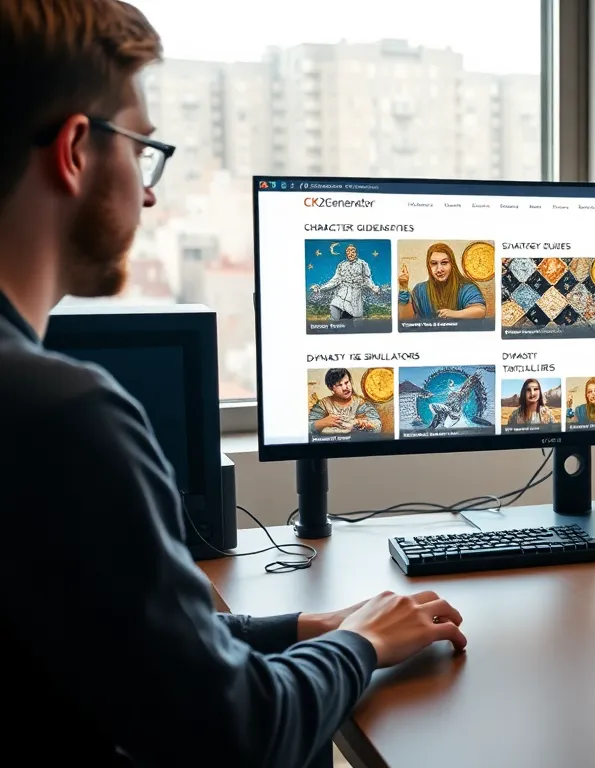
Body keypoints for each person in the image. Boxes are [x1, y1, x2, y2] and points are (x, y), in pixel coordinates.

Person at [0, 2, 466, 765]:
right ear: (77, 149)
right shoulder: (63, 416)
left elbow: (132, 642)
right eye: (144, 148)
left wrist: (304, 629)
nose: (150, 194)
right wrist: (360, 645)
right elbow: (240, 735)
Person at [398, 241, 486, 321]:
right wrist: (403, 287)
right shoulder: (420, 289)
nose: (439, 269)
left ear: (452, 265)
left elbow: (480, 311)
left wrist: (454, 313)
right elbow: (405, 319)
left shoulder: (466, 287)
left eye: (444, 263)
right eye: (434, 263)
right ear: (429, 266)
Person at [312, 242, 380, 321]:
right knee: (334, 308)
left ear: (356, 253)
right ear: (346, 254)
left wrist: (374, 288)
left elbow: (367, 279)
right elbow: (335, 280)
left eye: (353, 251)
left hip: (355, 294)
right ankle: (335, 327)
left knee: (355, 318)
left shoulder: (363, 264)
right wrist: (321, 288)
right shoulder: (341, 265)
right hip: (342, 293)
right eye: (348, 252)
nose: (350, 254)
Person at [308, 367, 381, 435]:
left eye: (347, 382)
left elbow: (378, 425)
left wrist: (368, 426)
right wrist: (324, 422)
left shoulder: (360, 403)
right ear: (331, 388)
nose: (345, 388)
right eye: (339, 385)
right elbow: (308, 428)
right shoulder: (323, 404)